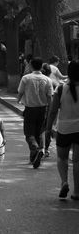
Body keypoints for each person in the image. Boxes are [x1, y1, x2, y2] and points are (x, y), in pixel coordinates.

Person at [46, 60, 79, 200]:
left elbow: (53, 111)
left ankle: (64, 182)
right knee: (77, 161)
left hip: (64, 128)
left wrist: (48, 129)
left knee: (62, 157)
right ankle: (77, 192)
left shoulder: (60, 89)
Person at [17, 57, 53, 169]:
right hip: (43, 109)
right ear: (41, 66)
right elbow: (49, 97)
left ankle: (36, 150)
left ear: (31, 65)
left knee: (29, 133)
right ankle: (34, 157)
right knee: (38, 132)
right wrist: (50, 109)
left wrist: (18, 100)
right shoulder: (47, 80)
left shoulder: (26, 78)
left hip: (30, 109)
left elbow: (20, 92)